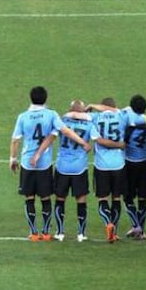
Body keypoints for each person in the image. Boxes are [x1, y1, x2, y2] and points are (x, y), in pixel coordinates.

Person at [10, 86, 90, 241]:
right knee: (45, 198)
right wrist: (82, 142)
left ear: (30, 98)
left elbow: (15, 140)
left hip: (27, 163)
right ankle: (46, 232)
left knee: (29, 198)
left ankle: (33, 232)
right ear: (45, 99)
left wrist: (13, 159)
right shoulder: (51, 115)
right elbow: (65, 131)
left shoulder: (23, 117)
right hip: (45, 164)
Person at [36, 100, 92, 242]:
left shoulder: (61, 121)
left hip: (62, 166)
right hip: (80, 167)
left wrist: (38, 153)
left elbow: (51, 137)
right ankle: (81, 233)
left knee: (60, 199)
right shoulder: (90, 123)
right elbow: (98, 139)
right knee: (81, 199)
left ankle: (60, 232)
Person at [87, 98, 128, 243]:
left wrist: (90, 106)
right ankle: (114, 230)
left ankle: (108, 224)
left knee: (102, 198)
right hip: (119, 164)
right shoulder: (122, 115)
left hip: (101, 165)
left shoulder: (94, 118)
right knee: (116, 198)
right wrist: (120, 145)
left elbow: (77, 113)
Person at [120, 95, 146, 239]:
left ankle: (136, 226)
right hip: (145, 163)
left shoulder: (128, 123)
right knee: (143, 198)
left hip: (129, 163)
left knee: (128, 197)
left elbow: (122, 140)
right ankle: (141, 230)